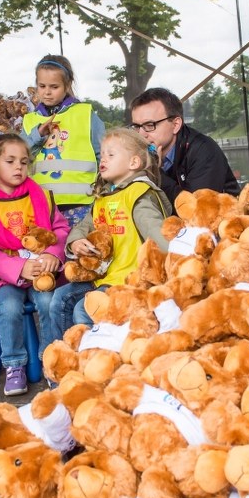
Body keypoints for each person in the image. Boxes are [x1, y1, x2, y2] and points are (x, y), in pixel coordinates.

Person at [0, 134, 69, 396]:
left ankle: (51, 360)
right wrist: (16, 268)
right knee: (10, 306)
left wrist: (52, 255)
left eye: (24, 162)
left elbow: (59, 229)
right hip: (3, 275)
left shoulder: (41, 196)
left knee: (49, 303)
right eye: (10, 161)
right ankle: (14, 364)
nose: (18, 167)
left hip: (41, 270)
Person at [51, 128, 172, 345]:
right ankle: (67, 354)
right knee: (60, 299)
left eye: (111, 154)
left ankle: (96, 360)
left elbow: (158, 235)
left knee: (83, 310)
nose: (102, 159)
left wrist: (175, 264)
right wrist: (76, 242)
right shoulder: (104, 196)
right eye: (102, 154)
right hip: (104, 278)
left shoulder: (138, 195)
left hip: (130, 281)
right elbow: (83, 226)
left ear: (134, 163)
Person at [21, 55, 106, 228]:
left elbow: (103, 154)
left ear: (67, 86)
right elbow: (18, 158)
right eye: (42, 86)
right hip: (41, 208)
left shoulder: (85, 114)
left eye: (54, 87)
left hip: (83, 205)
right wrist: (36, 135)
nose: (47, 92)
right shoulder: (29, 121)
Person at [129, 87, 240, 211]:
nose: (141, 134)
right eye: (136, 127)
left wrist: (155, 172)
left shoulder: (204, 150)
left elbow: (196, 210)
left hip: (224, 224)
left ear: (175, 125)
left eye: (150, 125)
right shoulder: (136, 156)